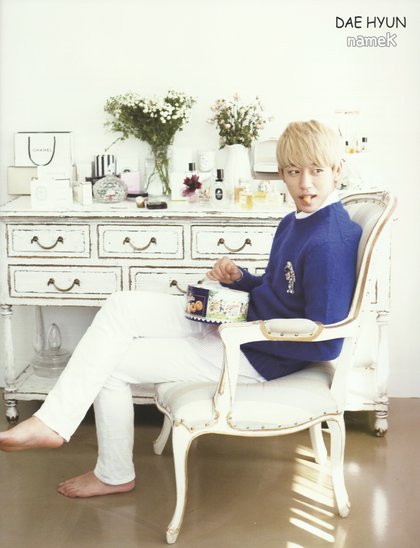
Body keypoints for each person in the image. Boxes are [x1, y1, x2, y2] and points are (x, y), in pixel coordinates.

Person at [0, 120, 362, 499]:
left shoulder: (330, 241)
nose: (305, 184)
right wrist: (241, 279)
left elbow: (326, 342)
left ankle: (109, 470)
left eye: (316, 171)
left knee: (111, 364)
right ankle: (53, 422)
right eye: (293, 172)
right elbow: (279, 291)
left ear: (337, 170)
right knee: (120, 305)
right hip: (237, 321)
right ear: (281, 174)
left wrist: (239, 332)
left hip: (255, 353)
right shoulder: (294, 222)